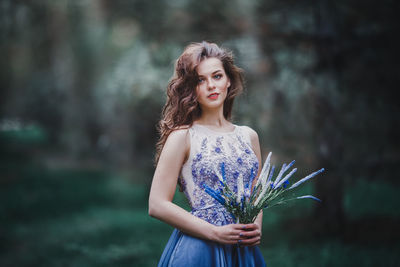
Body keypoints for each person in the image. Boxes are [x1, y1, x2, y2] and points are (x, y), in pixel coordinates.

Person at [148, 41, 266, 267]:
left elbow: (256, 195)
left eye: (217, 76)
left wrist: (255, 226)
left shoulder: (249, 136)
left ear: (228, 80)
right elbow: (157, 204)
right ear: (191, 88)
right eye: (200, 80)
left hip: (242, 249)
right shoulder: (182, 136)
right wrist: (214, 233)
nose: (211, 85)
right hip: (200, 249)